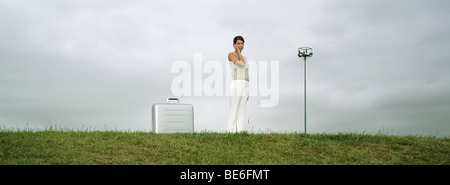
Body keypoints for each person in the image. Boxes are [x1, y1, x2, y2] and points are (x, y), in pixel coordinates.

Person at [227, 35, 249, 133]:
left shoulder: (244, 57)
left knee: (241, 109)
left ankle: (239, 131)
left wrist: (248, 90)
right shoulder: (231, 54)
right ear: (234, 45)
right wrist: (238, 52)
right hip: (236, 83)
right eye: (238, 44)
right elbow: (241, 63)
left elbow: (245, 70)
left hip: (245, 84)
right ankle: (230, 131)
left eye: (242, 43)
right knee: (234, 109)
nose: (240, 45)